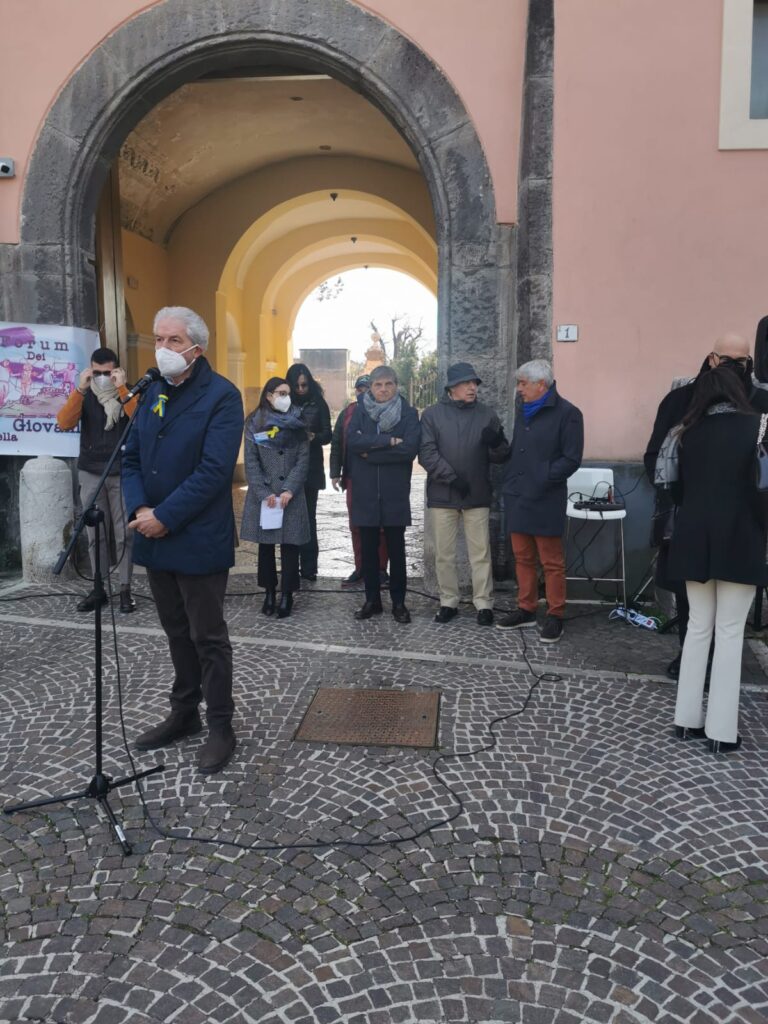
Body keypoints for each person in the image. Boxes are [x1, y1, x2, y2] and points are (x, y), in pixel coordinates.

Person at [122, 306, 243, 775]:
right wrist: (138, 510)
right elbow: (130, 457)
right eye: (158, 339)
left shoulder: (221, 396)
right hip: (153, 534)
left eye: (173, 341)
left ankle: (220, 724)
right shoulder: (151, 389)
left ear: (196, 346)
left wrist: (165, 517)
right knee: (176, 633)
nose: (163, 349)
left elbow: (214, 471)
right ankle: (184, 713)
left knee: (207, 636)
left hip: (196, 537)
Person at [644, 332, 768, 678]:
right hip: (689, 516)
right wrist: (679, 499)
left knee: (730, 614)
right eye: (726, 360)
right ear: (712, 359)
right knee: (692, 606)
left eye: (740, 362)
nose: (732, 367)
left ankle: (724, 665)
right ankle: (692, 657)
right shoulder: (680, 401)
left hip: (743, 522)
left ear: (749, 365)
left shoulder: (761, 406)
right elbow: (657, 457)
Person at [667, 367, 767, 753]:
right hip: (741, 535)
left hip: (693, 535)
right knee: (729, 633)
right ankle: (722, 732)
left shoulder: (685, 432)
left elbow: (673, 487)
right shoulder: (758, 425)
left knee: (697, 628)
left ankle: (686, 719)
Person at [498, 359, 584, 643]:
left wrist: (543, 476)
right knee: (522, 557)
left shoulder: (569, 414)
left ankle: (556, 613)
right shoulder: (523, 409)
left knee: (551, 561)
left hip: (546, 495)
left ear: (541, 385)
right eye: (518, 383)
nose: (519, 389)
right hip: (518, 494)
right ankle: (526, 608)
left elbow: (571, 459)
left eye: (523, 384)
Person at [419, 362, 509, 626]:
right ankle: (448, 600)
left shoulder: (487, 414)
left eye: (475, 383)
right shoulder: (432, 415)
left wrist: (498, 444)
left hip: (477, 493)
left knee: (480, 552)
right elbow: (426, 452)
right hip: (442, 494)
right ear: (451, 388)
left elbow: (501, 456)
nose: (472, 387)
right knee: (444, 553)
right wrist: (452, 478)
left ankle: (484, 603)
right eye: (466, 383)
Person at [56, 346, 137, 614]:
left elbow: (139, 419)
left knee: (124, 532)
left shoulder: (129, 392)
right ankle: (99, 588)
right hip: (92, 471)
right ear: (91, 369)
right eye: (98, 372)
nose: (102, 377)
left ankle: (125, 589)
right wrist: (80, 389)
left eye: (107, 372)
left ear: (116, 370)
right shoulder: (86, 394)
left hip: (121, 471)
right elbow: (64, 422)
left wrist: (123, 388)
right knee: (95, 534)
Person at [347, 365, 421, 623]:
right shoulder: (359, 411)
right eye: (378, 385)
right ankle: (372, 601)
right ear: (371, 387)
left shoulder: (409, 414)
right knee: (368, 552)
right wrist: (388, 441)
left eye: (388, 384)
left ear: (396, 386)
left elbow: (410, 450)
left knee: (397, 551)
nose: (383, 389)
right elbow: (352, 443)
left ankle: (399, 603)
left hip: (394, 493)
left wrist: (371, 452)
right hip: (366, 493)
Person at [240, 377, 310, 619]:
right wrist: (263, 492)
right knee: (266, 547)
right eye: (281, 393)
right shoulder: (253, 422)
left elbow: (303, 460)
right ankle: (269, 592)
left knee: (291, 547)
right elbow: (251, 461)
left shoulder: (298, 422)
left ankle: (287, 594)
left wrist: (289, 489)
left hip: (291, 495)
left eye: (287, 393)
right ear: (268, 395)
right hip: (266, 494)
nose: (286, 397)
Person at [330, 373, 388, 588]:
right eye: (359, 389)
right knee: (356, 525)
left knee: (381, 525)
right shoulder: (347, 412)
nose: (363, 393)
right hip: (354, 477)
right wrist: (335, 472)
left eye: (366, 389)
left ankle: (381, 569)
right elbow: (337, 443)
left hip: (378, 476)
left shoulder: (385, 410)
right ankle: (361, 567)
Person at [285, 363, 331, 581]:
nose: (301, 389)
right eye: (297, 386)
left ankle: (309, 567)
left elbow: (328, 435)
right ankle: (291, 565)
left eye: (304, 384)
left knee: (309, 517)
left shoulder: (318, 403)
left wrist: (313, 437)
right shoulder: (284, 402)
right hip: (289, 466)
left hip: (311, 467)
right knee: (290, 518)